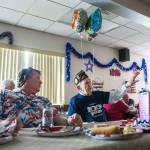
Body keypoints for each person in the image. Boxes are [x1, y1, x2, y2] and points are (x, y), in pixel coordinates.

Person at [0, 67, 82, 128]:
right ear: (26, 78)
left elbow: (57, 119)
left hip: (46, 138)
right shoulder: (5, 94)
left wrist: (70, 120)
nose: (41, 82)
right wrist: (7, 124)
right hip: (17, 138)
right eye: (37, 78)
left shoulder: (44, 100)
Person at [68, 70, 139, 122]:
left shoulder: (98, 94)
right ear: (79, 87)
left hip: (104, 127)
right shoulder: (75, 100)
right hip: (89, 131)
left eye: (90, 82)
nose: (90, 85)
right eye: (86, 83)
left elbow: (115, 95)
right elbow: (70, 119)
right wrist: (72, 119)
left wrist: (128, 84)